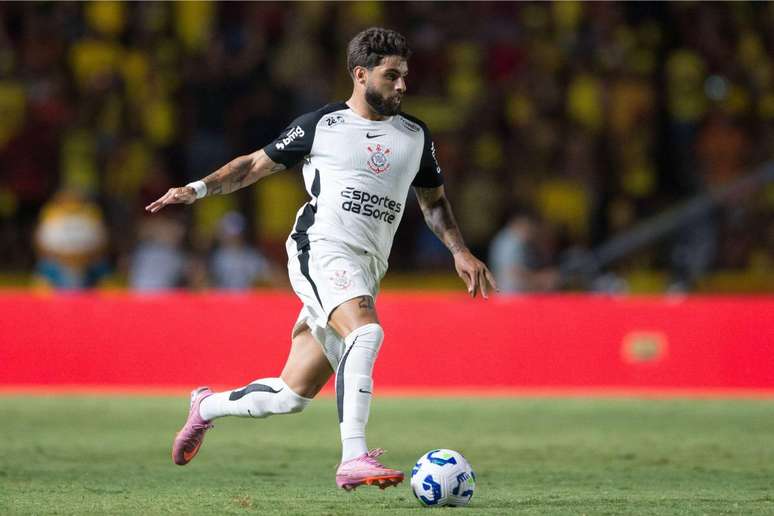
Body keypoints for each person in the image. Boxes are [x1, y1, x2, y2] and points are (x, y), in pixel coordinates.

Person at [145, 27, 497, 491]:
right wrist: (196, 189)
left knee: (291, 395)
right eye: (391, 76)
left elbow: (433, 202)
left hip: (366, 268)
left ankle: (206, 406)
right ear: (360, 75)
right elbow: (253, 165)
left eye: (404, 76)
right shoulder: (322, 125)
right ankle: (353, 457)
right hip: (321, 247)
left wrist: (460, 250)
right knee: (366, 332)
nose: (402, 85)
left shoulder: (415, 135)